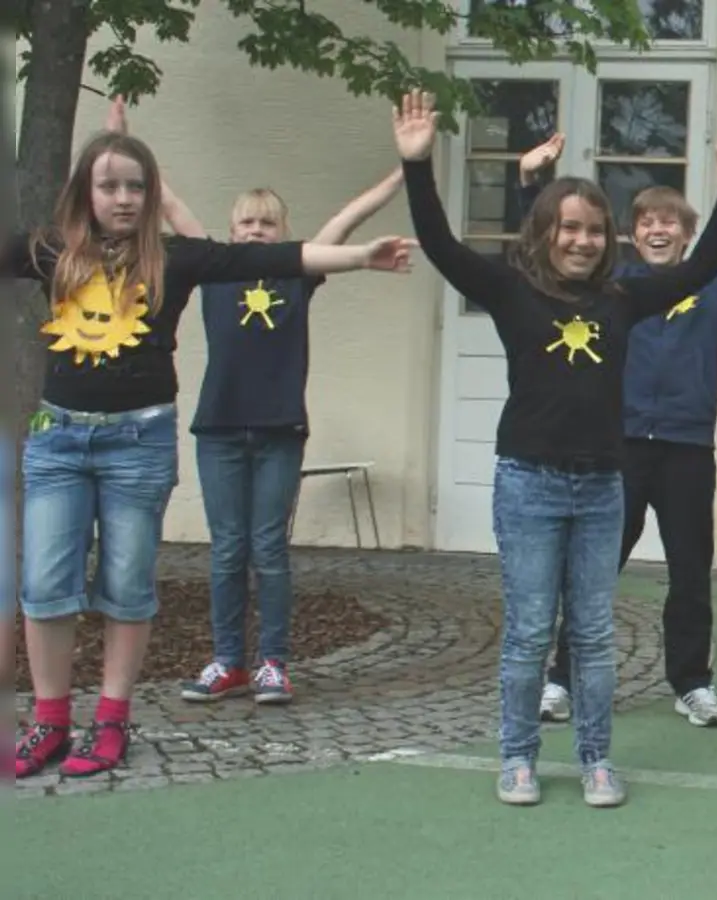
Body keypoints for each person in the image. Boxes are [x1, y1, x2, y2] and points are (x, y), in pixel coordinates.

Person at [8, 124, 413, 780]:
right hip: (59, 439)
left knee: (128, 585)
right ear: (84, 190)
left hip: (140, 440)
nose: (123, 197)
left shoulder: (180, 257)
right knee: (44, 586)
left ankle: (112, 718)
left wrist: (362, 254)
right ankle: (50, 721)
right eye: (109, 184)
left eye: (135, 186)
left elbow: (286, 258)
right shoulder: (53, 251)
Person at [391, 90, 717, 809]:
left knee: (592, 633)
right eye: (570, 228)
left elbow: (700, 270)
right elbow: (439, 244)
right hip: (528, 484)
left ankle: (595, 761)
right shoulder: (511, 290)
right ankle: (518, 757)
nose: (583, 241)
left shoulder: (624, 299)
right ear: (546, 231)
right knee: (527, 632)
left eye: (594, 230)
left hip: (600, 487)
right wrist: (418, 166)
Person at [85, 96, 409, 706]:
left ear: (281, 235)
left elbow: (346, 223)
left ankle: (273, 663)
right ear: (230, 234)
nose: (255, 232)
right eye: (245, 225)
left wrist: (402, 174)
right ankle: (228, 661)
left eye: (266, 225)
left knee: (268, 548)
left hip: (280, 428)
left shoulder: (296, 274)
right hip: (219, 429)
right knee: (227, 549)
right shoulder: (210, 269)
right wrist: (120, 140)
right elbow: (167, 200)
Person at [537, 133, 717, 730]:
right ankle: (560, 679)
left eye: (669, 223)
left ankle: (692, 684)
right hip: (621, 450)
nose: (658, 231)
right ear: (633, 236)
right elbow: (546, 265)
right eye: (646, 223)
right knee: (595, 569)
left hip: (688, 451)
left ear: (688, 235)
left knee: (690, 574)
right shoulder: (613, 291)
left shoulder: (714, 287)